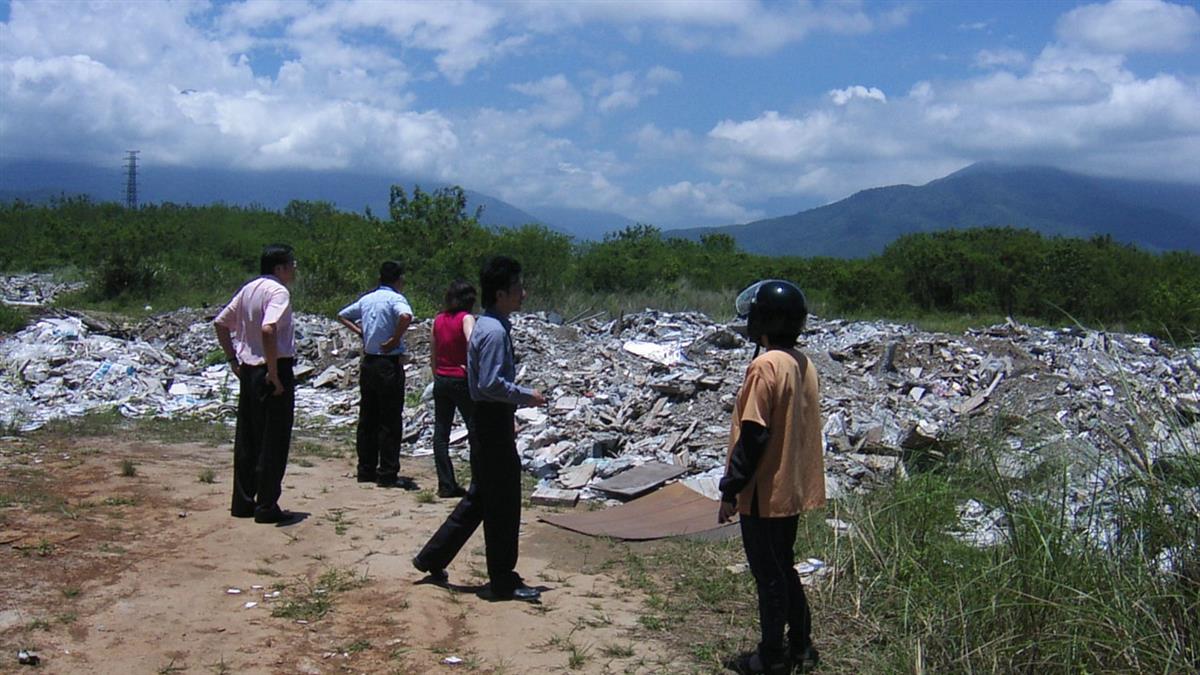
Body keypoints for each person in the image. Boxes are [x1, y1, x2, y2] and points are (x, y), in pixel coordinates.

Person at [413, 256, 547, 602]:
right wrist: (525, 397)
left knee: (481, 498)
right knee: (503, 503)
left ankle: (432, 557)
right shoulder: (494, 331)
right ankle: (502, 580)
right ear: (501, 293)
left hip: (490, 420)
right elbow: (489, 383)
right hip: (490, 419)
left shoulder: (489, 326)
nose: (524, 293)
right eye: (518, 288)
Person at [718, 279, 825, 675]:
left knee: (770, 579)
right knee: (785, 568)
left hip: (765, 490)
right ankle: (801, 646)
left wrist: (731, 489)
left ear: (763, 319)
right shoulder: (802, 363)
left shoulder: (764, 366)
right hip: (792, 489)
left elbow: (754, 434)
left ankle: (771, 656)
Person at [214, 244, 299, 525]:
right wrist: (274, 374)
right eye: (291, 264)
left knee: (248, 438)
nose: (294, 268)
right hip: (270, 369)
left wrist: (232, 360)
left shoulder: (249, 289)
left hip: (249, 370)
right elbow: (268, 328)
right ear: (280, 268)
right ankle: (266, 505)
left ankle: (243, 501)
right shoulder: (278, 292)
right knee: (273, 439)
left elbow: (221, 323)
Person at [337, 261, 416, 489]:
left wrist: (362, 332)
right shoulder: (396, 299)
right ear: (398, 279)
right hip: (388, 364)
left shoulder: (367, 299)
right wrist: (393, 340)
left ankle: (366, 469)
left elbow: (342, 315)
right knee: (390, 419)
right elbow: (406, 317)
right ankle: (388, 472)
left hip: (369, 362)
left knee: (368, 418)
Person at [429, 279, 477, 498]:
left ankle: (446, 484)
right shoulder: (466, 318)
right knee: (475, 430)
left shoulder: (438, 320)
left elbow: (433, 352)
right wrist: (472, 369)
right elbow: (473, 343)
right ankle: (480, 482)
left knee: (441, 433)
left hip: (442, 378)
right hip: (461, 379)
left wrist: (437, 373)